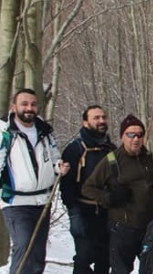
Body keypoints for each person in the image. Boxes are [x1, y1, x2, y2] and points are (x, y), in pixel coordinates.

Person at [0, 88, 70, 274]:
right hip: (16, 203)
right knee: (23, 246)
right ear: (14, 107)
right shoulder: (3, 134)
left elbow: (53, 157)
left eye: (33, 104)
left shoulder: (44, 132)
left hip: (42, 201)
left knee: (38, 253)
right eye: (24, 104)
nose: (29, 108)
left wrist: (58, 167)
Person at [82, 114, 153, 274]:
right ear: (122, 136)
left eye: (139, 135)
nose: (135, 139)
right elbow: (88, 188)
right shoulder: (112, 160)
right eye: (130, 135)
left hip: (149, 225)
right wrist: (109, 197)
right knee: (121, 270)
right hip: (123, 227)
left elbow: (150, 180)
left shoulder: (146, 156)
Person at [60, 105, 116, 274]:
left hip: (107, 211)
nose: (101, 121)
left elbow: (117, 177)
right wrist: (74, 212)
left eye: (103, 117)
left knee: (105, 258)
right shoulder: (74, 149)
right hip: (83, 210)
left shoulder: (111, 150)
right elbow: (66, 185)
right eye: (96, 118)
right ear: (85, 122)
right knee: (84, 257)